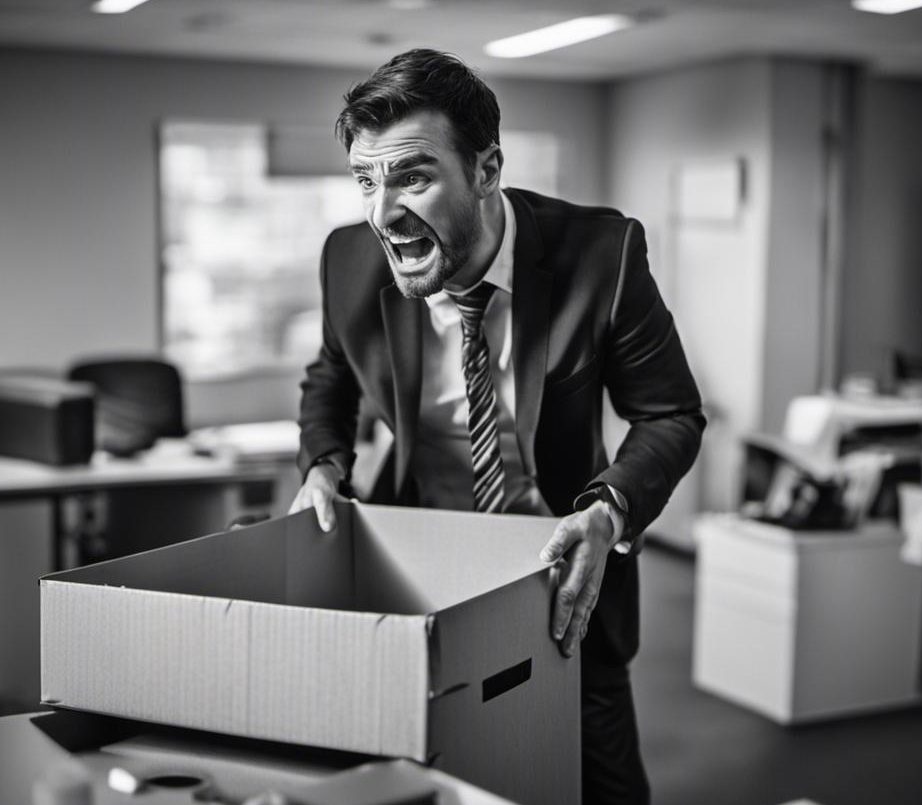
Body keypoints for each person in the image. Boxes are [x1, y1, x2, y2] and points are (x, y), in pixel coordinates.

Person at [289, 48, 704, 805]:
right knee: (425, 787)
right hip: (416, 575)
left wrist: (606, 511)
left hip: (560, 578)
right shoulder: (348, 260)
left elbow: (668, 412)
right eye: (365, 179)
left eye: (412, 175)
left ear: (485, 171)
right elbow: (330, 375)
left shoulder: (602, 255)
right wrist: (321, 466)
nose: (381, 213)